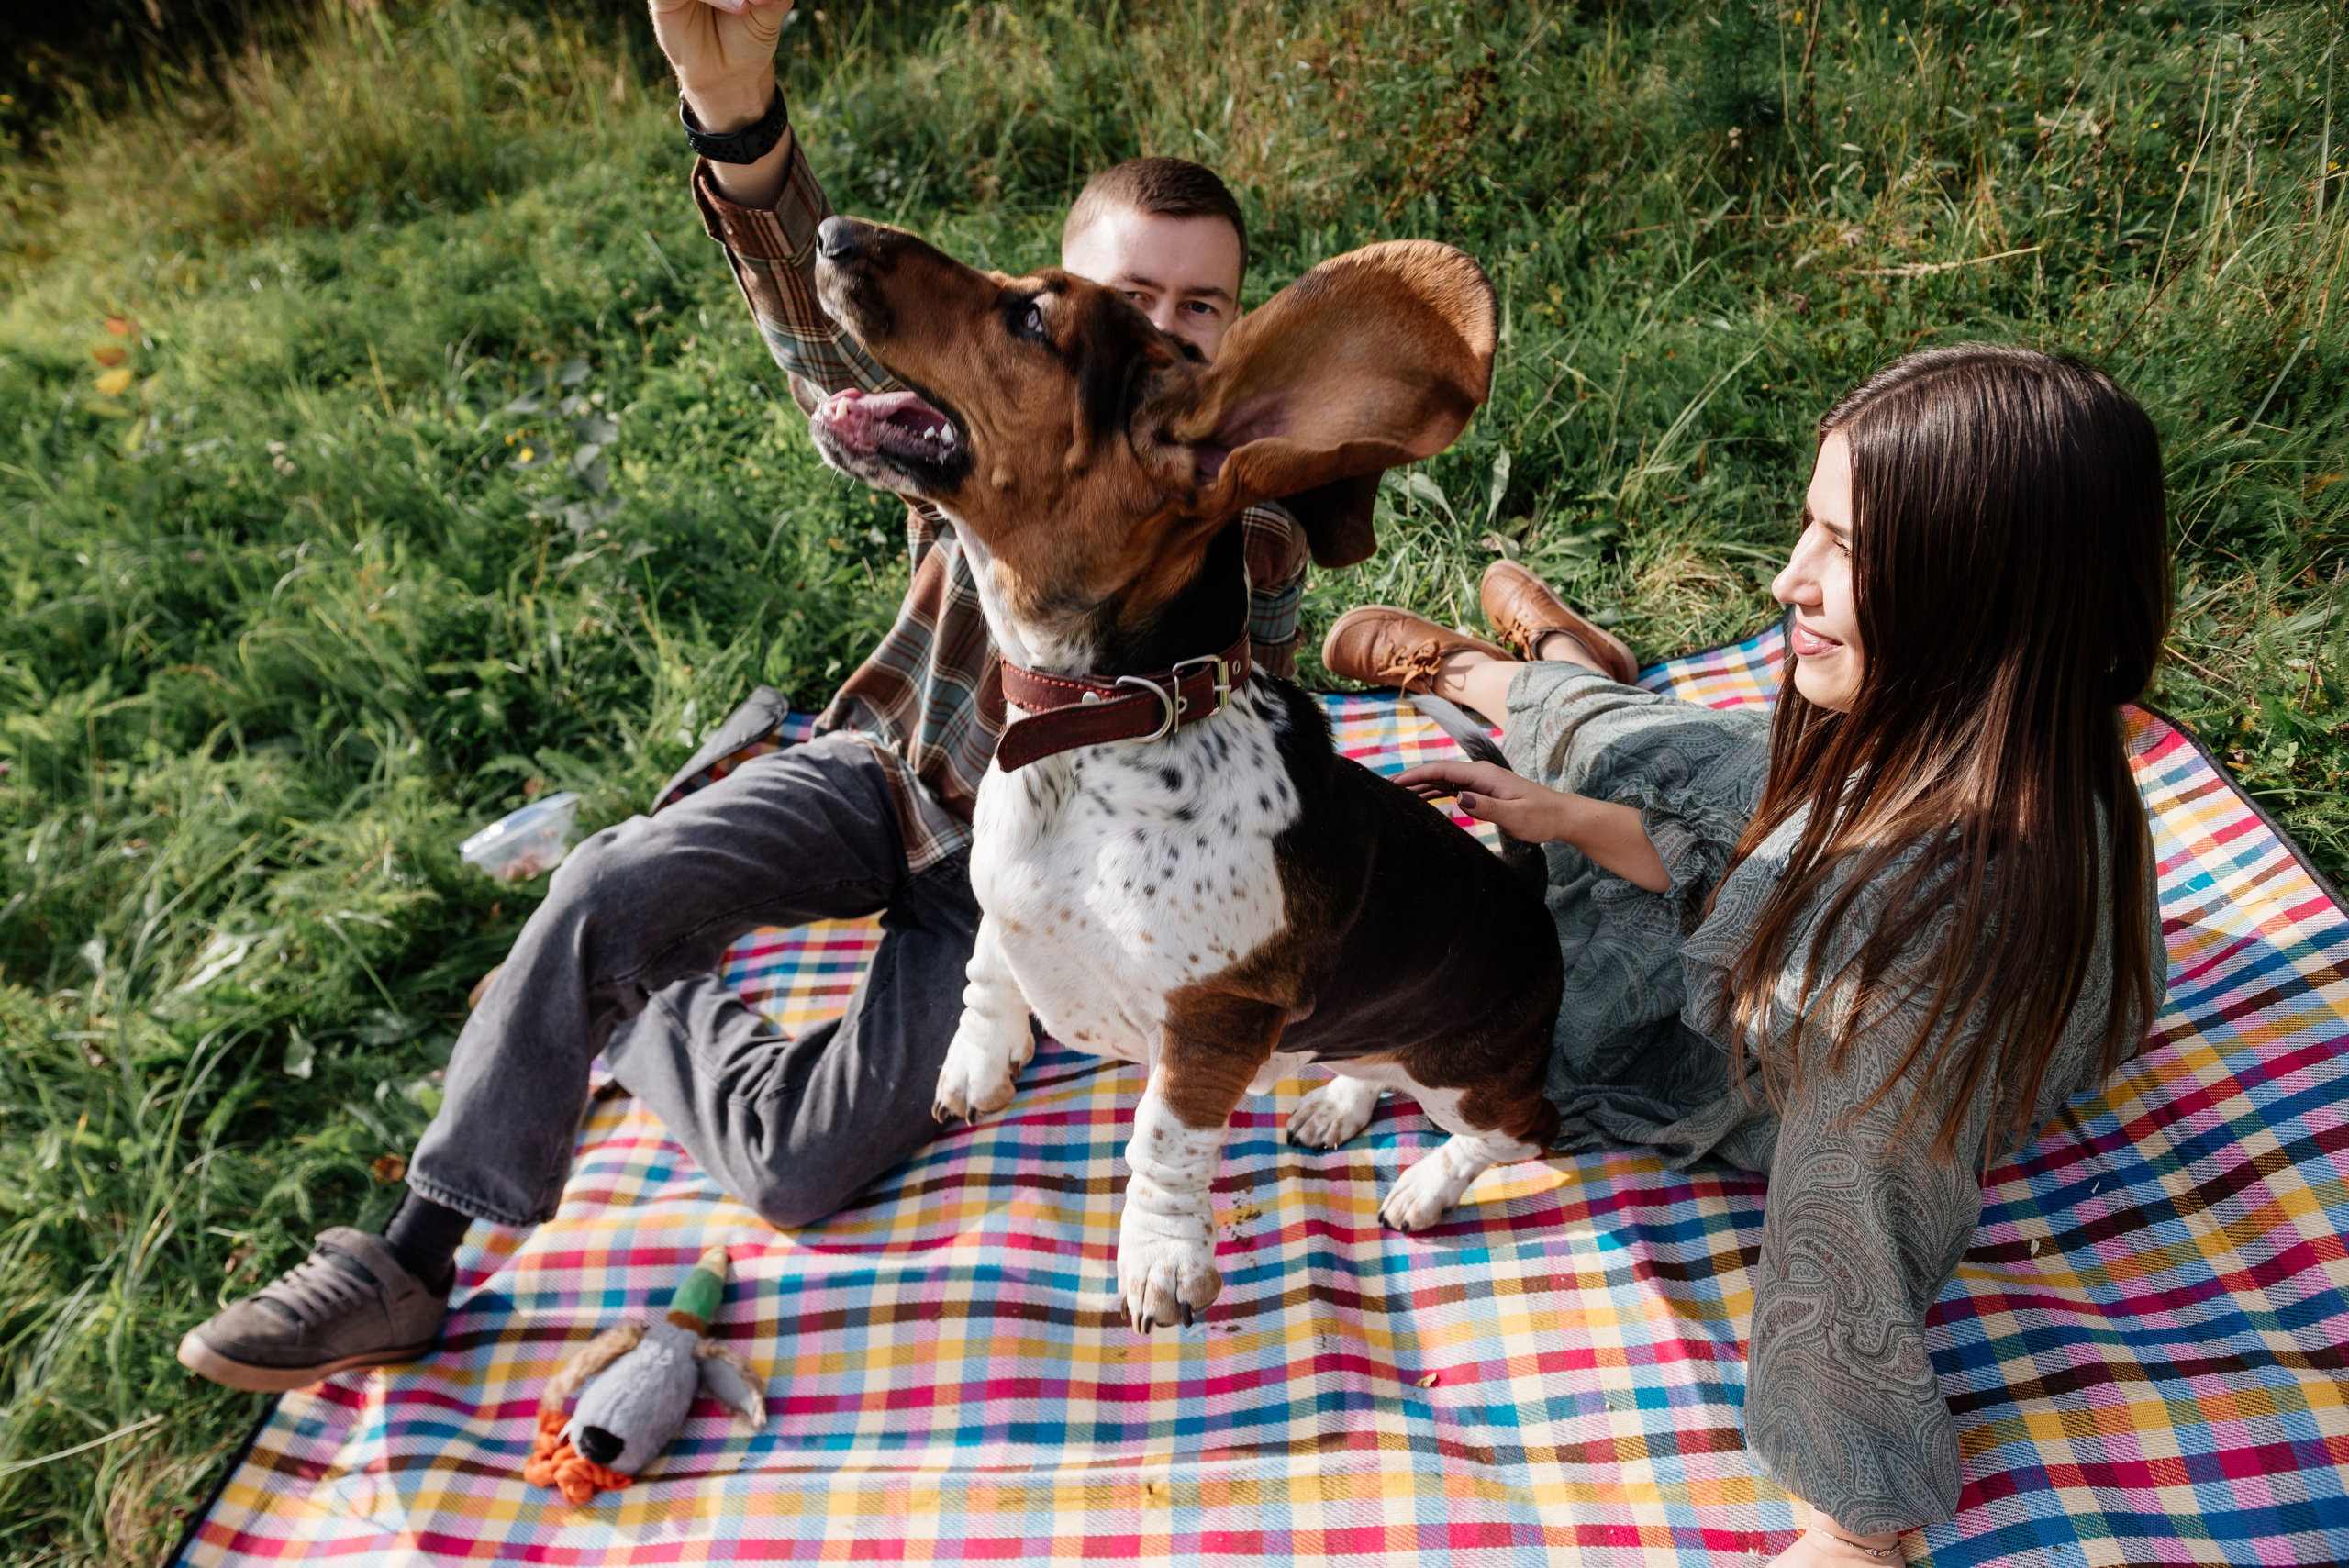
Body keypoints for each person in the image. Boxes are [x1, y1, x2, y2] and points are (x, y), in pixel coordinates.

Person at [175, 0, 1310, 1395]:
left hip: (1020, 895)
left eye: (1201, 307)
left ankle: (614, 1001)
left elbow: (1251, 766)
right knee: (609, 882)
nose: (1168, 331)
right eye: (1128, 298)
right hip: (888, 774)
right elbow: (834, 336)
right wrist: (741, 127)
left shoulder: (1241, 524)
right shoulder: (982, 421)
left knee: (791, 1167)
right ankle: (413, 1251)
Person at [1321, 344, 2170, 1566]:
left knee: (1598, 899)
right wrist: (1556, 817)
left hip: (1810, 998)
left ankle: (1524, 675)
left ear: (1991, 598)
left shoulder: (1900, 977)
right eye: (1807, 529)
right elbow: (1764, 836)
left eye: (1850, 551)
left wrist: (1847, 1522)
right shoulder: (2014, 715)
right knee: (1663, 762)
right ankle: (1527, 672)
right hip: (1837, 847)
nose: (1787, 579)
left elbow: (1844, 1216)